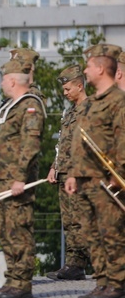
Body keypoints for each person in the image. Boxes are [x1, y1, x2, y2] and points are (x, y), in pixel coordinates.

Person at [65, 44, 125, 298]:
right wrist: (73, 174)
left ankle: (117, 283)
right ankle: (102, 282)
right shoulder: (92, 103)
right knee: (92, 234)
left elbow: (122, 139)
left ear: (101, 68)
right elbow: (80, 141)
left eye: (89, 66)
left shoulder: (117, 101)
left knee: (111, 233)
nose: (85, 71)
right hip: (86, 178)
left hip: (106, 180)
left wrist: (119, 174)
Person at [0, 59, 45, 298]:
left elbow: (30, 146)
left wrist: (20, 178)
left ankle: (22, 283)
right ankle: (12, 280)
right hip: (2, 180)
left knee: (19, 230)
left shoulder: (30, 106)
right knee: (7, 232)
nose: (2, 84)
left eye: (3, 79)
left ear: (11, 80)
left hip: (16, 183)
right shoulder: (9, 107)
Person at [46, 65, 88, 281]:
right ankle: (74, 264)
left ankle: (98, 263)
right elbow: (62, 142)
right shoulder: (69, 112)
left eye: (68, 88)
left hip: (80, 174)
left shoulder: (89, 109)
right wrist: (54, 166)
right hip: (63, 173)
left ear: (80, 86)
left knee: (83, 220)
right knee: (69, 220)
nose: (65, 93)